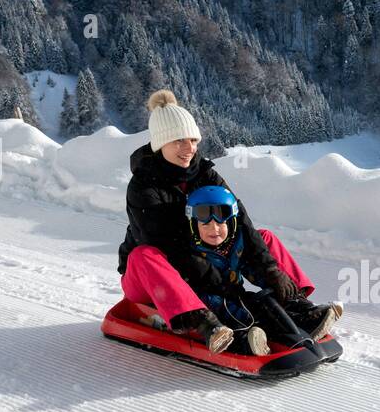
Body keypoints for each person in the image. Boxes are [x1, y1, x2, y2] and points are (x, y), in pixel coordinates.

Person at [118, 89, 340, 353]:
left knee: (263, 237)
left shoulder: (205, 174)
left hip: (205, 260)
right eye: (179, 141)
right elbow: (170, 248)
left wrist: (271, 271)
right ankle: (203, 322)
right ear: (160, 143)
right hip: (152, 280)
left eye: (193, 140)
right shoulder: (143, 186)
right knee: (146, 254)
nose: (189, 148)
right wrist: (224, 284)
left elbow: (240, 221)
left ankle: (298, 306)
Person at [182, 185, 342, 355]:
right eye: (205, 225)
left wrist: (272, 275)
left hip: (233, 288)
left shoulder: (235, 241)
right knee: (232, 309)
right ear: (193, 225)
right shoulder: (189, 251)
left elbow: (257, 255)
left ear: (232, 222)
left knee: (263, 295)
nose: (214, 230)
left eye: (220, 222)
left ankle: (299, 308)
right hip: (207, 299)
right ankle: (246, 340)